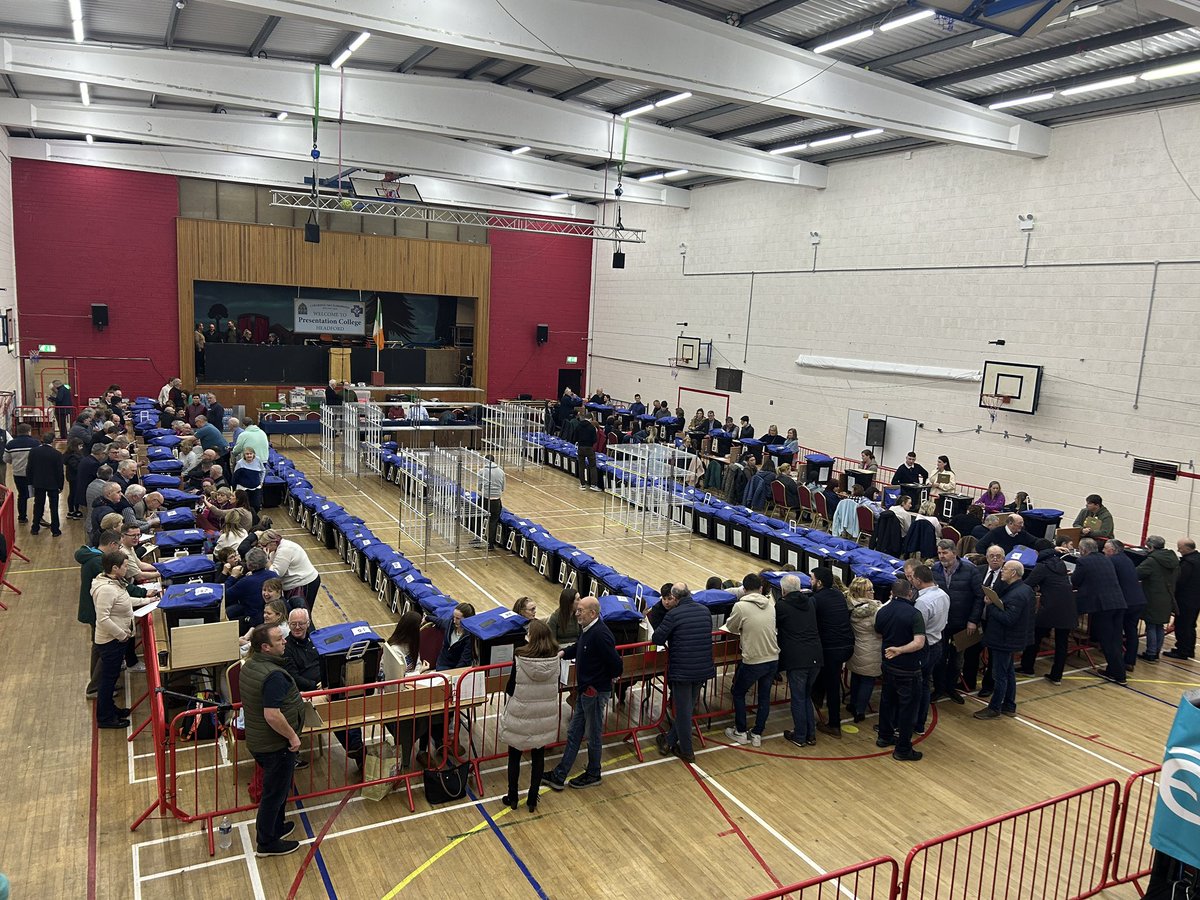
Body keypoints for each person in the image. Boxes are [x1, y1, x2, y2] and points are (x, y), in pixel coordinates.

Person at [240, 623, 304, 857]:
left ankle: (276, 828)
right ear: (266, 647)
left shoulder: (252, 664)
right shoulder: (273, 675)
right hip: (275, 745)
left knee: (277, 790)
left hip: (261, 741)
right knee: (274, 794)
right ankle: (267, 843)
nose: (285, 641)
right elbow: (272, 714)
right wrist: (293, 736)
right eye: (279, 640)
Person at [547, 596, 622, 789]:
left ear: (592, 613)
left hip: (594, 692)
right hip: (586, 692)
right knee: (574, 732)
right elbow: (580, 646)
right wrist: (564, 653)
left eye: (580, 610)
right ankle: (560, 774)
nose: (576, 613)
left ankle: (593, 773)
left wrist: (598, 685)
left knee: (593, 733)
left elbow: (616, 665)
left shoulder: (600, 634)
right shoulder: (588, 630)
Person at [498, 619, 561, 812]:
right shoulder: (555, 659)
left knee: (514, 756)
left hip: (522, 713)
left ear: (531, 638)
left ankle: (513, 797)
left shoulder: (520, 657)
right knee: (538, 755)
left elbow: (511, 687)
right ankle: (533, 799)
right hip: (544, 714)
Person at [92, 551, 157, 728]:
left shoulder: (114, 583)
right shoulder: (105, 589)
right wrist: (122, 636)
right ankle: (105, 718)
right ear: (115, 568)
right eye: (125, 566)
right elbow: (103, 619)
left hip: (117, 639)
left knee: (111, 678)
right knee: (108, 680)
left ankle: (111, 709)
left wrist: (147, 600)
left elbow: (125, 601)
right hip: (111, 641)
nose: (127, 568)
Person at [652, 584, 714, 764]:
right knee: (687, 709)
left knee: (683, 712)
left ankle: (687, 751)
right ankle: (669, 741)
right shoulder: (704, 610)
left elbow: (657, 638)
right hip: (702, 667)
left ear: (675, 598)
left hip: (683, 670)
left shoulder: (673, 615)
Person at [722, 573, 779, 748]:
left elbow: (731, 627)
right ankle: (757, 733)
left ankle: (740, 730)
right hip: (773, 657)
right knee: (764, 696)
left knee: (738, 692)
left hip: (754, 659)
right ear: (761, 588)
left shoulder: (740, 606)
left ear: (744, 590)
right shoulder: (770, 605)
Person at [973, 561, 1035, 719]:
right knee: (1008, 672)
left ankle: (994, 707)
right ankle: (1009, 705)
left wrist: (991, 605)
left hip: (1004, 640)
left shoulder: (1017, 594)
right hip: (1010, 639)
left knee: (999, 675)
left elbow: (1008, 619)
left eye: (1005, 569)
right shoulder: (1024, 589)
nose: (1002, 571)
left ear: (1013, 573)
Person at [873, 578, 926, 762]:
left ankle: (884, 736)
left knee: (887, 702)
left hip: (888, 666)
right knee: (908, 710)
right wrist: (900, 650)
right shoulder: (914, 614)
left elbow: (879, 632)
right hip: (908, 669)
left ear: (891, 594)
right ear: (910, 593)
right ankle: (903, 748)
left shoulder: (882, 611)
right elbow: (919, 643)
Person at [1019, 538, 1077, 683]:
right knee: (1061, 643)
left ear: (1037, 552)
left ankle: (1027, 667)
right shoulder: (1061, 563)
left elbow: (1028, 584)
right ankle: (1057, 675)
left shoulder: (1042, 566)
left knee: (1035, 636)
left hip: (1050, 607)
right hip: (1068, 606)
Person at [775, 573, 823, 746]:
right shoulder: (810, 602)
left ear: (783, 590)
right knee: (806, 696)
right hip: (816, 655)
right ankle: (810, 734)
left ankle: (801, 736)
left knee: (798, 697)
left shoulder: (782, 606)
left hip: (797, 659)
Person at [931, 538, 981, 703]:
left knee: (957, 658)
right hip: (941, 623)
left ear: (954, 553)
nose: (941, 556)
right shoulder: (935, 569)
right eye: (939, 553)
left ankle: (951, 688)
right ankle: (938, 688)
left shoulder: (971, 570)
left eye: (945, 553)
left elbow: (979, 597)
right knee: (939, 656)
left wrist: (973, 620)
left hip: (963, 623)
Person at [1071, 537, 1128, 682]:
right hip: (1118, 602)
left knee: (1107, 641)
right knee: (1115, 640)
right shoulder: (1106, 559)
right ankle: (1114, 670)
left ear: (1083, 550)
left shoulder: (1083, 561)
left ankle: (1119, 674)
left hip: (1103, 606)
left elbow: (1075, 581)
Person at [809, 567, 854, 738]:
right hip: (847, 646)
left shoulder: (816, 600)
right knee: (825, 674)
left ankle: (834, 724)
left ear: (819, 583)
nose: (810, 582)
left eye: (812, 579)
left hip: (831, 649)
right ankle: (817, 699)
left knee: (832, 684)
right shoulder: (838, 595)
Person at [909, 563, 949, 736]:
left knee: (916, 687)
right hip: (937, 644)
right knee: (925, 685)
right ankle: (920, 723)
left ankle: (912, 722)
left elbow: (916, 628)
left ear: (918, 580)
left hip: (924, 647)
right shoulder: (943, 595)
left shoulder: (922, 602)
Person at [1104, 539, 1147, 669]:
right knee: (1131, 632)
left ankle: (1115, 666)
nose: (1103, 551)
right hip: (1138, 600)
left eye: (1105, 549)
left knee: (1116, 633)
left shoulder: (1111, 561)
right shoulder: (1127, 559)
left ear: (1111, 550)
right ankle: (1129, 661)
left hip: (1124, 602)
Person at [845, 576, 882, 723]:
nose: (873, 592)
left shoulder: (849, 606)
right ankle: (860, 710)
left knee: (856, 676)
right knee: (867, 680)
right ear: (861, 592)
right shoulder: (875, 610)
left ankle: (853, 704)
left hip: (855, 648)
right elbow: (880, 629)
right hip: (871, 648)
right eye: (869, 589)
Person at [260, 530, 321, 620]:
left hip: (304, 582)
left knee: (302, 613)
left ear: (273, 542)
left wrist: (266, 561)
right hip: (293, 584)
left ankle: (308, 631)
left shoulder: (285, 550)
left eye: (265, 546)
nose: (263, 549)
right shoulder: (276, 549)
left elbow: (276, 573)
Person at [1137, 535, 1179, 663]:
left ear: (1151, 547)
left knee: (1150, 625)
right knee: (1159, 626)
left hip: (1153, 596)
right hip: (1167, 596)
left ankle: (1150, 653)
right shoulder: (1174, 559)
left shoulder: (1152, 561)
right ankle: (1155, 652)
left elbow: (1137, 573)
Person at [225, 547, 277, 627]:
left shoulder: (246, 581)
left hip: (253, 619)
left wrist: (232, 576)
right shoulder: (274, 575)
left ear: (249, 565)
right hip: (273, 614)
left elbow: (226, 595)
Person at [1167, 537, 1200, 660]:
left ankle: (1182, 651)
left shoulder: (1188, 563)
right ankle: (1189, 649)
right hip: (1196, 599)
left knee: (1182, 625)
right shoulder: (1198, 559)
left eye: (1180, 548)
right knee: (1190, 625)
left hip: (1186, 599)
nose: (1178, 550)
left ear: (1186, 548)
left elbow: (1180, 581)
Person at [27, 431, 64, 537]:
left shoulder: (34, 452)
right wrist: (60, 485)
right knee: (54, 507)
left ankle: (35, 528)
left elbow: (29, 468)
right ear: (53, 441)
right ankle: (55, 530)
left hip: (38, 483)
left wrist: (30, 482)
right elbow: (59, 472)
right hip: (53, 484)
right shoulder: (57, 454)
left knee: (38, 506)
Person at [4, 423, 40, 523]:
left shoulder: (10, 444)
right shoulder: (36, 443)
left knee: (22, 496)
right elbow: (39, 457)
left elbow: (6, 459)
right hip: (33, 474)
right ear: (29, 431)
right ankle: (38, 517)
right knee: (38, 495)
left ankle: (22, 517)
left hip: (18, 474)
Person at [434, 602, 477, 670]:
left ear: (467, 619)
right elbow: (439, 621)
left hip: (457, 668)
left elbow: (464, 660)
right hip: (442, 664)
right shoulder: (450, 623)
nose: (454, 621)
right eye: (454, 617)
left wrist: (454, 674)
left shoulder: (469, 636)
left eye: (458, 618)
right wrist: (427, 618)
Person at [479, 454, 505, 548]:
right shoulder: (501, 472)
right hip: (496, 500)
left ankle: (478, 539)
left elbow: (479, 487)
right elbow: (503, 488)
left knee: (479, 518)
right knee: (493, 521)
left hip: (485, 499)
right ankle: (491, 544)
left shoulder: (482, 471)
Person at [574, 411, 602, 492]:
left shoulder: (578, 426)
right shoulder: (592, 427)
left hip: (580, 448)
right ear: (590, 418)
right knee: (592, 466)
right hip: (589, 448)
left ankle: (582, 484)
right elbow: (595, 439)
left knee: (581, 466)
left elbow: (575, 437)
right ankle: (593, 485)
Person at [231, 448, 265, 512]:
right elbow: (235, 477)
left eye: (251, 454)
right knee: (244, 506)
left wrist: (261, 481)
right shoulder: (240, 463)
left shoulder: (258, 460)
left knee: (256, 506)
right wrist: (234, 489)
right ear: (244, 455)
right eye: (247, 454)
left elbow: (263, 471)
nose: (249, 455)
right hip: (243, 489)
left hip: (256, 488)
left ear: (253, 454)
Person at [63, 437, 86, 520]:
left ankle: (72, 510)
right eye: (80, 446)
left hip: (72, 477)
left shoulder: (69, 455)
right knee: (75, 494)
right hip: (75, 477)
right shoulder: (73, 456)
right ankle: (75, 511)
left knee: (72, 493)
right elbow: (76, 466)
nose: (82, 448)